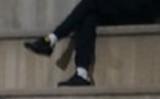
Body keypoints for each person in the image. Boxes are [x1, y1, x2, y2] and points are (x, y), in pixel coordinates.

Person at [23, 0, 159, 86]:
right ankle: (82, 73)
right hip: (123, 7)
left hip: (144, 8)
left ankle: (51, 39)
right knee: (88, 18)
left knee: (90, 3)